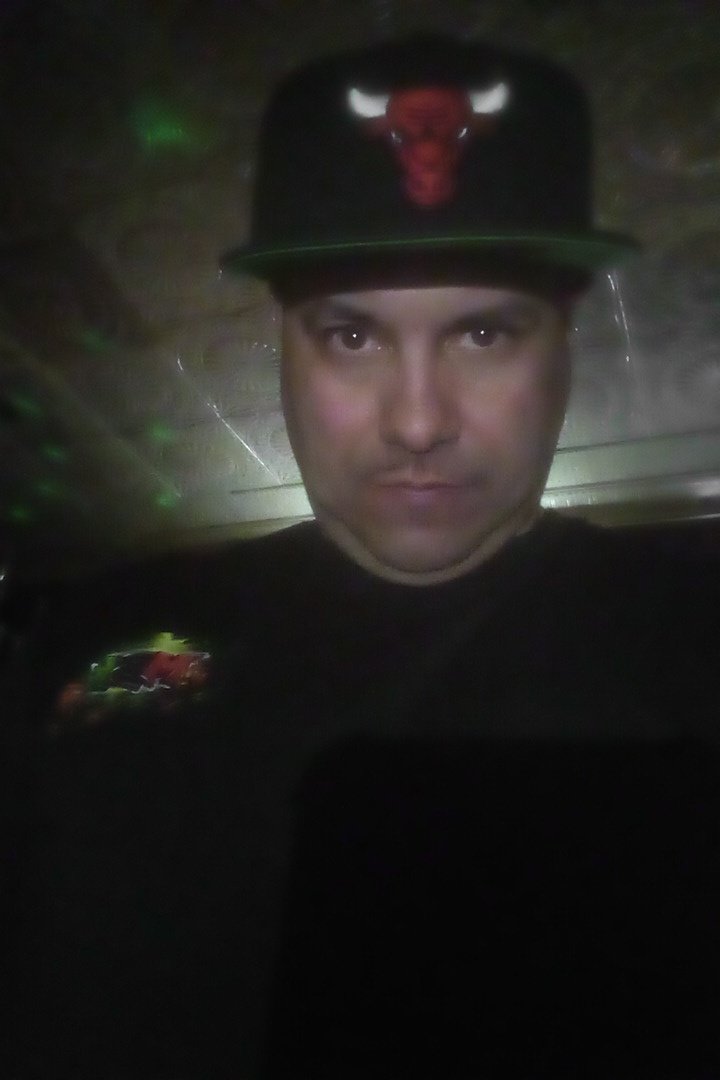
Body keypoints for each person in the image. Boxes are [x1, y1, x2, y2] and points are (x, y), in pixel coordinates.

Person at [2, 33, 719, 1080]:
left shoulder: (694, 641)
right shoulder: (93, 633)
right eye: (351, 336)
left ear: (565, 345)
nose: (417, 421)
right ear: (283, 348)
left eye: (483, 335)